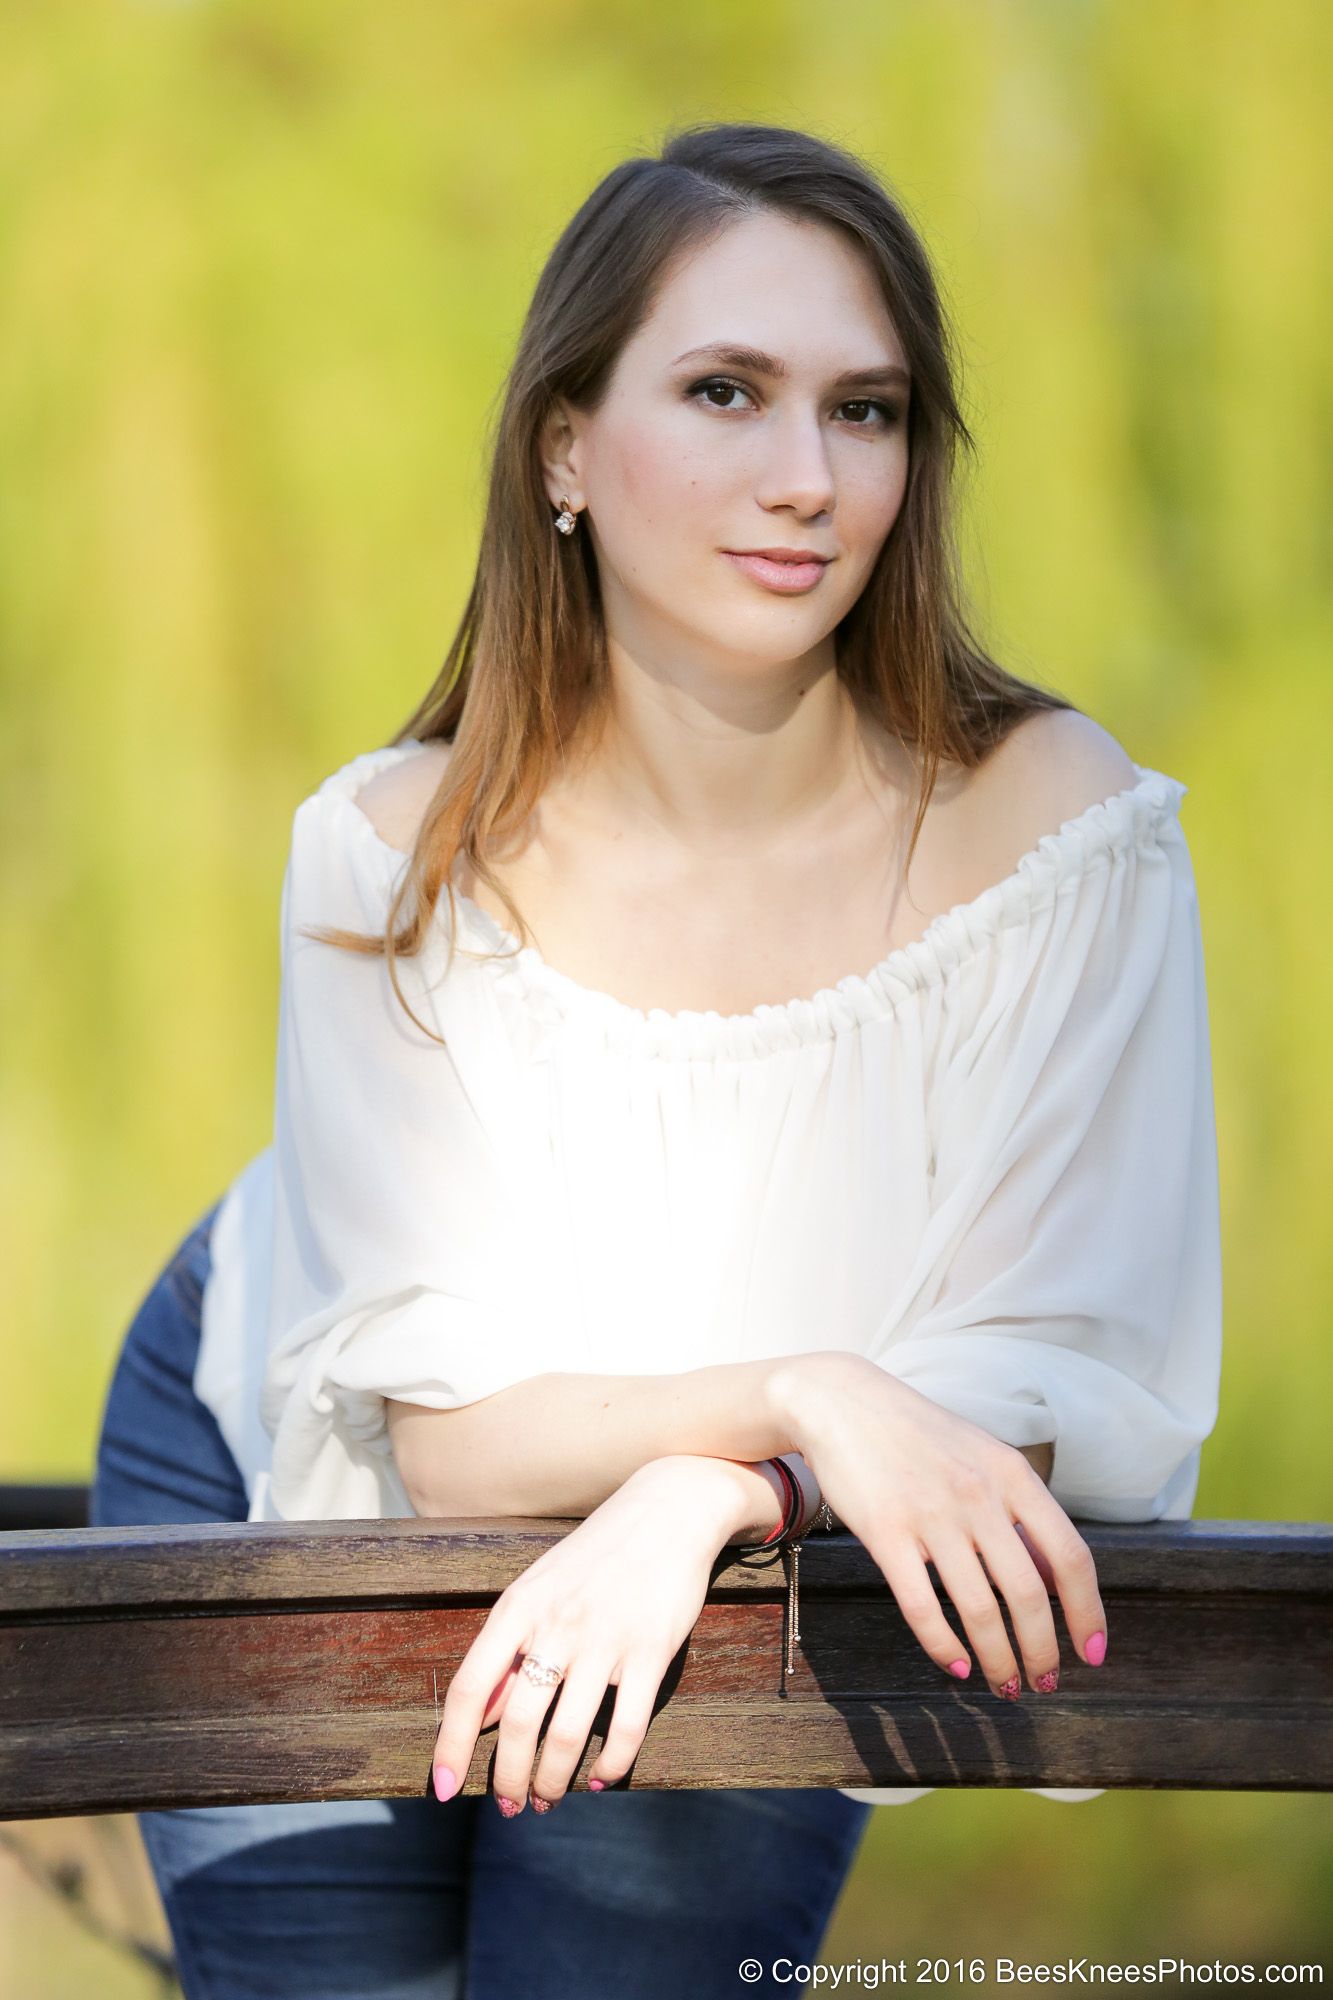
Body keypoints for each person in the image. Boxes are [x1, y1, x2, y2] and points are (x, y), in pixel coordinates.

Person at [90, 119, 1223, 1999]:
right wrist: (804, 1391)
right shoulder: (391, 846)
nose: (806, 481)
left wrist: (728, 1483)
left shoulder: (1060, 835)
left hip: (773, 1543)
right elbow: (445, 1438)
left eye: (864, 412)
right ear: (562, 446)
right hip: (300, 1453)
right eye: (725, 391)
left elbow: (1058, 1364)